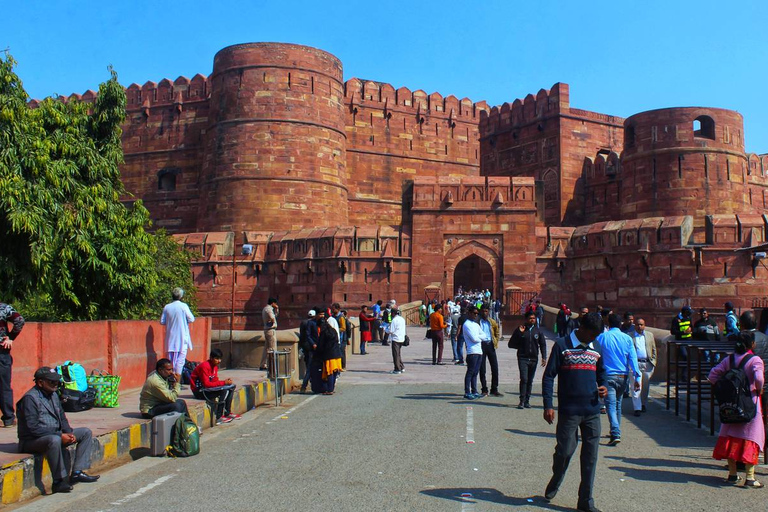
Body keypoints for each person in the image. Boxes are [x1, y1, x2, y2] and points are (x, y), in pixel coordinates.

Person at [542, 312, 607, 512]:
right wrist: (548, 405)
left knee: (590, 457)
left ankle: (585, 501)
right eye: (593, 334)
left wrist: (603, 385)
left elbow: (601, 372)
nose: (594, 338)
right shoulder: (562, 345)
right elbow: (548, 377)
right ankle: (557, 477)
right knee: (565, 451)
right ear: (583, 329)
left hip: (592, 410)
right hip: (570, 411)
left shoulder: (596, 346)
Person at [17, 367, 99, 493]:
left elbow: (62, 417)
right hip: (32, 440)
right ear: (40, 382)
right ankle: (59, 481)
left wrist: (68, 433)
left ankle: (77, 472)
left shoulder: (54, 394)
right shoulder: (30, 399)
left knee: (85, 432)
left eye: (57, 382)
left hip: (56, 434)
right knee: (54, 440)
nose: (55, 384)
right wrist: (59, 435)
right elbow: (32, 428)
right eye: (52, 382)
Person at [709, 332, 764, 488]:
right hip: (749, 404)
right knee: (750, 438)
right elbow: (759, 379)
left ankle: (732, 475)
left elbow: (713, 375)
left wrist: (723, 390)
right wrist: (758, 389)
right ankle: (750, 478)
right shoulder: (755, 360)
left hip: (731, 404)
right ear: (751, 345)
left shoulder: (729, 359)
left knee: (731, 437)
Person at [597, 313, 641, 445]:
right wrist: (637, 376)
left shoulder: (602, 337)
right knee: (617, 404)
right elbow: (633, 358)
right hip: (623, 376)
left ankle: (615, 432)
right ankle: (615, 429)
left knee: (610, 404)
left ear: (608, 323)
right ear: (620, 323)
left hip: (608, 375)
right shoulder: (627, 338)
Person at [190, 348, 239, 425]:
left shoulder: (215, 367)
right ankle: (219, 417)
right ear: (211, 358)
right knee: (223, 390)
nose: (219, 361)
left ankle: (227, 412)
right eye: (217, 359)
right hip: (199, 391)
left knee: (231, 387)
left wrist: (226, 383)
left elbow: (214, 380)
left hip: (207, 389)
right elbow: (206, 384)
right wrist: (223, 383)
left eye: (220, 359)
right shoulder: (204, 366)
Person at [510, 311, 547, 408]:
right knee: (524, 379)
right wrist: (520, 334)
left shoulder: (538, 331)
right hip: (523, 357)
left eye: (534, 318)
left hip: (534, 358)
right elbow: (511, 344)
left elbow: (542, 344)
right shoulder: (521, 329)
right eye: (530, 318)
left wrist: (544, 357)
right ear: (526, 319)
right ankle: (521, 400)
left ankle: (527, 400)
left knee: (530, 380)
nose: (532, 320)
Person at [160, 287, 194, 383]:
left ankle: (170, 381)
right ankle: (176, 383)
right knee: (180, 362)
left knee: (170, 362)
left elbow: (162, 321)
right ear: (181, 296)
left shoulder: (167, 307)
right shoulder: (183, 306)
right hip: (182, 338)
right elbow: (191, 318)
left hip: (170, 339)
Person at [0, 302, 25, 427]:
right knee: (4, 386)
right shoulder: (3, 308)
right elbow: (19, 320)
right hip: (2, 352)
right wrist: (10, 337)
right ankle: (9, 418)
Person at [631, 318, 656, 416]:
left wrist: (653, 361)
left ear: (644, 325)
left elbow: (653, 349)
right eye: (637, 325)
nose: (639, 326)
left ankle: (643, 404)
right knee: (636, 384)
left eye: (641, 324)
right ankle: (637, 408)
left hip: (647, 363)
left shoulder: (649, 335)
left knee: (645, 385)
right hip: (635, 363)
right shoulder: (630, 336)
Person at [316, 311, 342, 395]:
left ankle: (329, 389)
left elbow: (321, 345)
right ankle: (332, 388)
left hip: (329, 355)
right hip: (337, 354)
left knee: (329, 372)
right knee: (334, 372)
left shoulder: (324, 333)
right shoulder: (333, 330)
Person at [462, 308, 486, 400]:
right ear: (469, 313)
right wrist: (480, 338)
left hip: (479, 350)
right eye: (474, 313)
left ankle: (474, 390)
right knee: (470, 372)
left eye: (477, 313)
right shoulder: (466, 324)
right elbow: (474, 339)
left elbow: (484, 335)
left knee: (475, 373)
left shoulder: (476, 324)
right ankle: (467, 391)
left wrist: (479, 337)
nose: (476, 315)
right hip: (472, 351)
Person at [478, 305, 502, 397]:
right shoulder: (478, 322)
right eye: (483, 311)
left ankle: (494, 388)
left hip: (490, 345)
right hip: (481, 345)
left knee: (495, 367)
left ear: (488, 312)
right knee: (482, 368)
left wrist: (495, 341)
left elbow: (497, 331)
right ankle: (484, 389)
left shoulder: (492, 322)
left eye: (486, 311)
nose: (485, 313)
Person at [670, 305, 693, 377]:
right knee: (684, 356)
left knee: (688, 358)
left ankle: (685, 375)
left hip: (689, 341)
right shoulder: (676, 319)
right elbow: (673, 331)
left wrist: (691, 330)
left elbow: (691, 327)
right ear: (685, 312)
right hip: (681, 342)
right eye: (689, 312)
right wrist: (683, 332)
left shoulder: (689, 318)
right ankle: (682, 375)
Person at [299, 310, 317, 394]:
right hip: (311, 348)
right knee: (310, 368)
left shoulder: (303, 323)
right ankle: (305, 385)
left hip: (304, 347)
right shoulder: (313, 324)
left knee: (308, 366)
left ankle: (309, 384)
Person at [259, 297, 279, 371]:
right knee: (273, 348)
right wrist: (273, 321)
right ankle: (273, 366)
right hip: (270, 330)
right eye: (275, 303)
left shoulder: (265, 309)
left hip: (267, 330)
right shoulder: (269, 309)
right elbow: (273, 317)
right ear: (273, 303)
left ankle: (263, 364)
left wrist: (277, 310)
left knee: (266, 349)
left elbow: (274, 316)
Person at [389, 308, 406, 374]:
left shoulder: (394, 320)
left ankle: (397, 369)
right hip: (401, 338)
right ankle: (401, 367)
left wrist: (386, 330)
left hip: (396, 339)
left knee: (395, 354)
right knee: (398, 354)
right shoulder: (402, 319)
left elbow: (391, 330)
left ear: (393, 313)